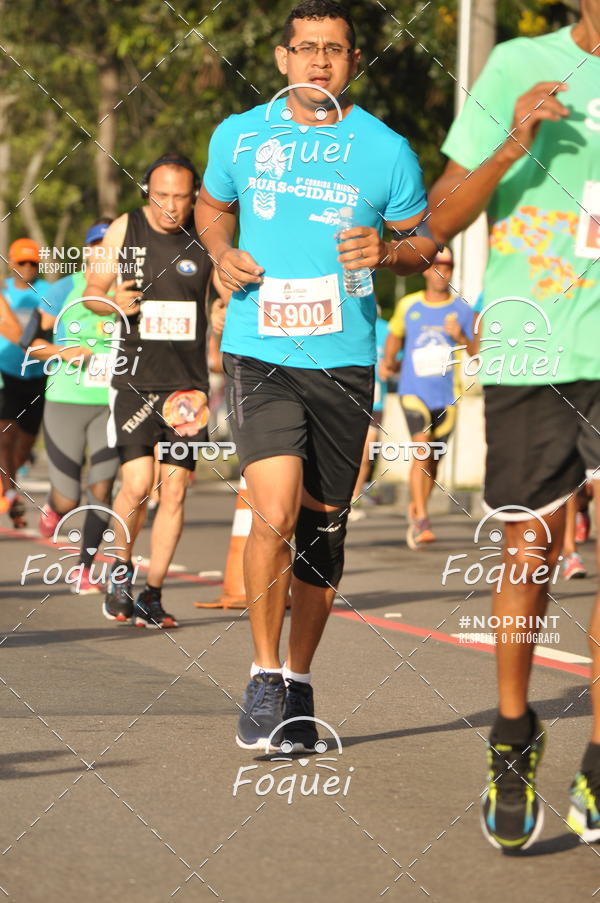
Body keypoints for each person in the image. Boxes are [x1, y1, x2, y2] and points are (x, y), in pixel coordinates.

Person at [195, 0, 439, 752]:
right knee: (272, 509)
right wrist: (220, 251)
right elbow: (210, 208)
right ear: (281, 58)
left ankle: (299, 678)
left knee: (321, 529)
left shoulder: (387, 150)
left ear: (354, 61)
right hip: (260, 347)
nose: (320, 62)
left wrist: (389, 253)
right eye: (306, 49)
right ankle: (264, 672)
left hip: (345, 358)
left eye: (334, 50)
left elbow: (424, 242)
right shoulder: (240, 134)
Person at [430, 2, 600, 849]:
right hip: (533, 348)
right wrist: (510, 143)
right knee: (530, 548)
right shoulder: (515, 67)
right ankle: (512, 731)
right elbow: (440, 217)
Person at [84, 153, 214, 628]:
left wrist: (222, 312)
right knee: (137, 485)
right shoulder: (125, 229)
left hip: (187, 388)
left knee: (174, 491)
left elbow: (222, 290)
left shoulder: (209, 232)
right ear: (147, 191)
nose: (171, 207)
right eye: (162, 196)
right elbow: (92, 291)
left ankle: (153, 594)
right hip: (135, 379)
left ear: (194, 195)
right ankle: (120, 570)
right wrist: (110, 300)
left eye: (181, 197)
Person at [30, 219, 121, 594]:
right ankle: (55, 508)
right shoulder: (66, 286)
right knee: (68, 496)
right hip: (65, 400)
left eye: (111, 246)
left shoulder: (132, 290)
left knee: (102, 489)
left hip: (111, 403)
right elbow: (33, 343)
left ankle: (84, 568)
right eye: (98, 245)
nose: (105, 251)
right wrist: (64, 351)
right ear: (87, 251)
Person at [380, 247, 475, 549]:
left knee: (433, 462)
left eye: (447, 267)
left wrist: (461, 336)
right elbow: (395, 335)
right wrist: (389, 360)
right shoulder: (410, 305)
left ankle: (417, 507)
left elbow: (475, 351)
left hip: (447, 396)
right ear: (425, 271)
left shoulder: (461, 309)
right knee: (422, 450)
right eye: (435, 266)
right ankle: (422, 518)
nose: (441, 272)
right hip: (414, 392)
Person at [0, 238, 52, 527]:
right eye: (22, 262)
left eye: (33, 262)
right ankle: (10, 493)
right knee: (4, 435)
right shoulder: (2, 292)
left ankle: (10, 480)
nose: (27, 268)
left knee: (26, 441)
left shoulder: (47, 292)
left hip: (36, 373)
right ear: (11, 262)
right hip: (5, 372)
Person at [349, 310, 390, 520]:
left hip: (375, 402)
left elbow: (395, 360)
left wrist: (389, 367)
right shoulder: (348, 320)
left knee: (364, 455)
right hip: (348, 399)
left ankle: (353, 501)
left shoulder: (386, 328)